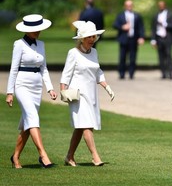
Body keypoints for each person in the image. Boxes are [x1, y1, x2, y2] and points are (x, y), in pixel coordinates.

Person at [60, 20, 115, 167]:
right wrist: (62, 91)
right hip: (77, 95)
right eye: (89, 37)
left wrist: (107, 87)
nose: (92, 40)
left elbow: (98, 72)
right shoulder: (73, 53)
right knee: (86, 125)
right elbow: (66, 74)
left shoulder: (94, 52)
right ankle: (95, 157)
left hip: (91, 94)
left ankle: (69, 156)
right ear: (82, 39)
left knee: (80, 126)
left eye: (94, 37)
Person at [6, 14, 57, 169]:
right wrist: (10, 92)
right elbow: (14, 69)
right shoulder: (19, 44)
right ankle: (43, 155)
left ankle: (15, 157)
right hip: (22, 85)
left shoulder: (41, 44)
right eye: (34, 29)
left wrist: (50, 88)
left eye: (39, 29)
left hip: (36, 88)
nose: (37, 32)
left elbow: (44, 68)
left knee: (27, 125)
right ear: (27, 30)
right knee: (33, 118)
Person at [113, 0, 145, 79]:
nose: (129, 7)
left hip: (133, 39)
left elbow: (141, 27)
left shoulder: (137, 15)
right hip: (123, 39)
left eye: (130, 5)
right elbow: (115, 25)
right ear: (125, 6)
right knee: (122, 57)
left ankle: (131, 74)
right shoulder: (120, 15)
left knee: (133, 57)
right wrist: (122, 27)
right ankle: (121, 74)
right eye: (127, 5)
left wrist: (141, 37)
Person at [151, 0, 172, 80]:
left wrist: (165, 24)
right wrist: (153, 40)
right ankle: (163, 73)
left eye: (162, 5)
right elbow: (153, 28)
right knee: (161, 56)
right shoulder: (156, 15)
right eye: (159, 5)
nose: (161, 6)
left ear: (165, 5)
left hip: (168, 37)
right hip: (159, 37)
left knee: (168, 55)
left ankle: (170, 73)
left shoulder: (171, 14)